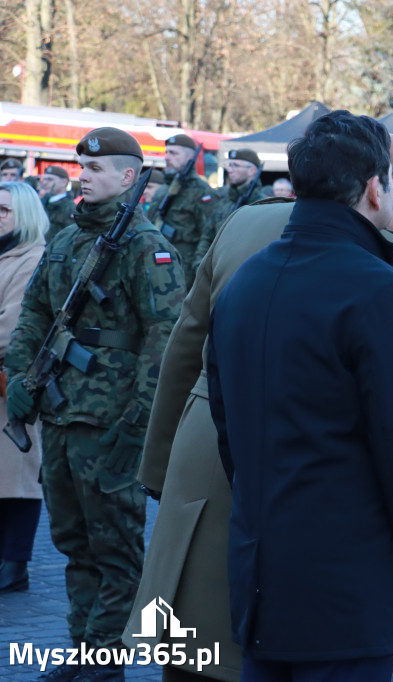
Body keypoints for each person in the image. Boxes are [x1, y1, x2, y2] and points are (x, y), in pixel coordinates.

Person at [124, 132, 393, 681]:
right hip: (328, 518)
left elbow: (186, 349)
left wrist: (159, 466)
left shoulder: (243, 226)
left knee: (199, 654)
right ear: (382, 188)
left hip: (212, 468)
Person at [206, 109, 393, 682]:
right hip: (347, 585)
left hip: (261, 576)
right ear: (376, 188)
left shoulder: (246, 281)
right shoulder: (379, 292)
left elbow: (231, 437)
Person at [4, 127, 186, 682]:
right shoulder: (67, 239)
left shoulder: (146, 248)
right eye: (83, 168)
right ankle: (83, 650)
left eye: (98, 169)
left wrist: (140, 422)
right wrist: (17, 374)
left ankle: (105, 660)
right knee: (73, 544)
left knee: (116, 550)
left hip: (112, 423)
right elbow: (35, 310)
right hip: (60, 415)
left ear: (129, 177)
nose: (84, 176)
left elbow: (167, 341)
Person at [0, 182, 47, 593]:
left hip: (12, 381)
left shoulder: (30, 258)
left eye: (3, 210)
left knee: (16, 477)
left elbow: (12, 327)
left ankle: (14, 564)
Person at [146, 134, 218, 287]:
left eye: (174, 153)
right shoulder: (162, 191)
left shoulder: (201, 191)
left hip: (184, 269)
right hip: (156, 261)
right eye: (167, 152)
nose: (167, 157)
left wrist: (198, 271)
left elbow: (208, 235)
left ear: (190, 157)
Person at [37, 166, 77, 240]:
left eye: (50, 179)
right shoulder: (44, 202)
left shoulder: (70, 208)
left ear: (64, 182)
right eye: (44, 179)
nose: (45, 183)